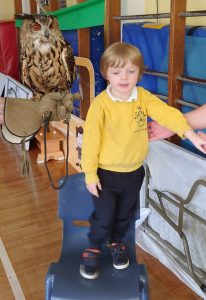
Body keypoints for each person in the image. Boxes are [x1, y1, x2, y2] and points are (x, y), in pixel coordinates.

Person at [80, 42, 206, 280]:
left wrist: (190, 134)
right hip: (106, 174)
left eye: (130, 71)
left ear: (140, 72)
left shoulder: (143, 98)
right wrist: (89, 174)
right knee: (104, 216)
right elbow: (91, 141)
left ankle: (117, 244)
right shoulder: (101, 105)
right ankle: (94, 247)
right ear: (106, 74)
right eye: (116, 72)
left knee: (126, 214)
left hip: (134, 172)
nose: (124, 77)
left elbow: (169, 115)